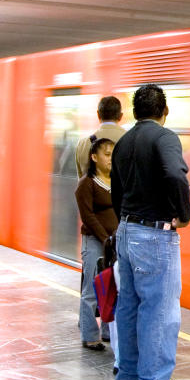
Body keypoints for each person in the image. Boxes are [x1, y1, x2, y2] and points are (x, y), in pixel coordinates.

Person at [111, 84, 190, 380]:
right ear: (165, 111)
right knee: (160, 309)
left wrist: (125, 218)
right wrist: (183, 213)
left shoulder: (123, 141)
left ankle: (129, 375)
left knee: (129, 306)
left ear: (134, 112)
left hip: (126, 230)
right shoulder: (165, 137)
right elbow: (174, 174)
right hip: (155, 234)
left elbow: (115, 189)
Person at [75, 137, 118, 351]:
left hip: (114, 243)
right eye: (107, 154)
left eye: (113, 154)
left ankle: (109, 331)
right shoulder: (86, 184)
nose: (111, 159)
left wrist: (116, 238)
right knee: (92, 288)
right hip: (95, 241)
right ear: (94, 157)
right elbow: (88, 217)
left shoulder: (117, 181)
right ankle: (90, 335)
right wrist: (105, 239)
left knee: (111, 287)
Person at [75, 96, 125, 178]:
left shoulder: (82, 144)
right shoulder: (131, 139)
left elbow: (81, 182)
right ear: (120, 116)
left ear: (98, 114)